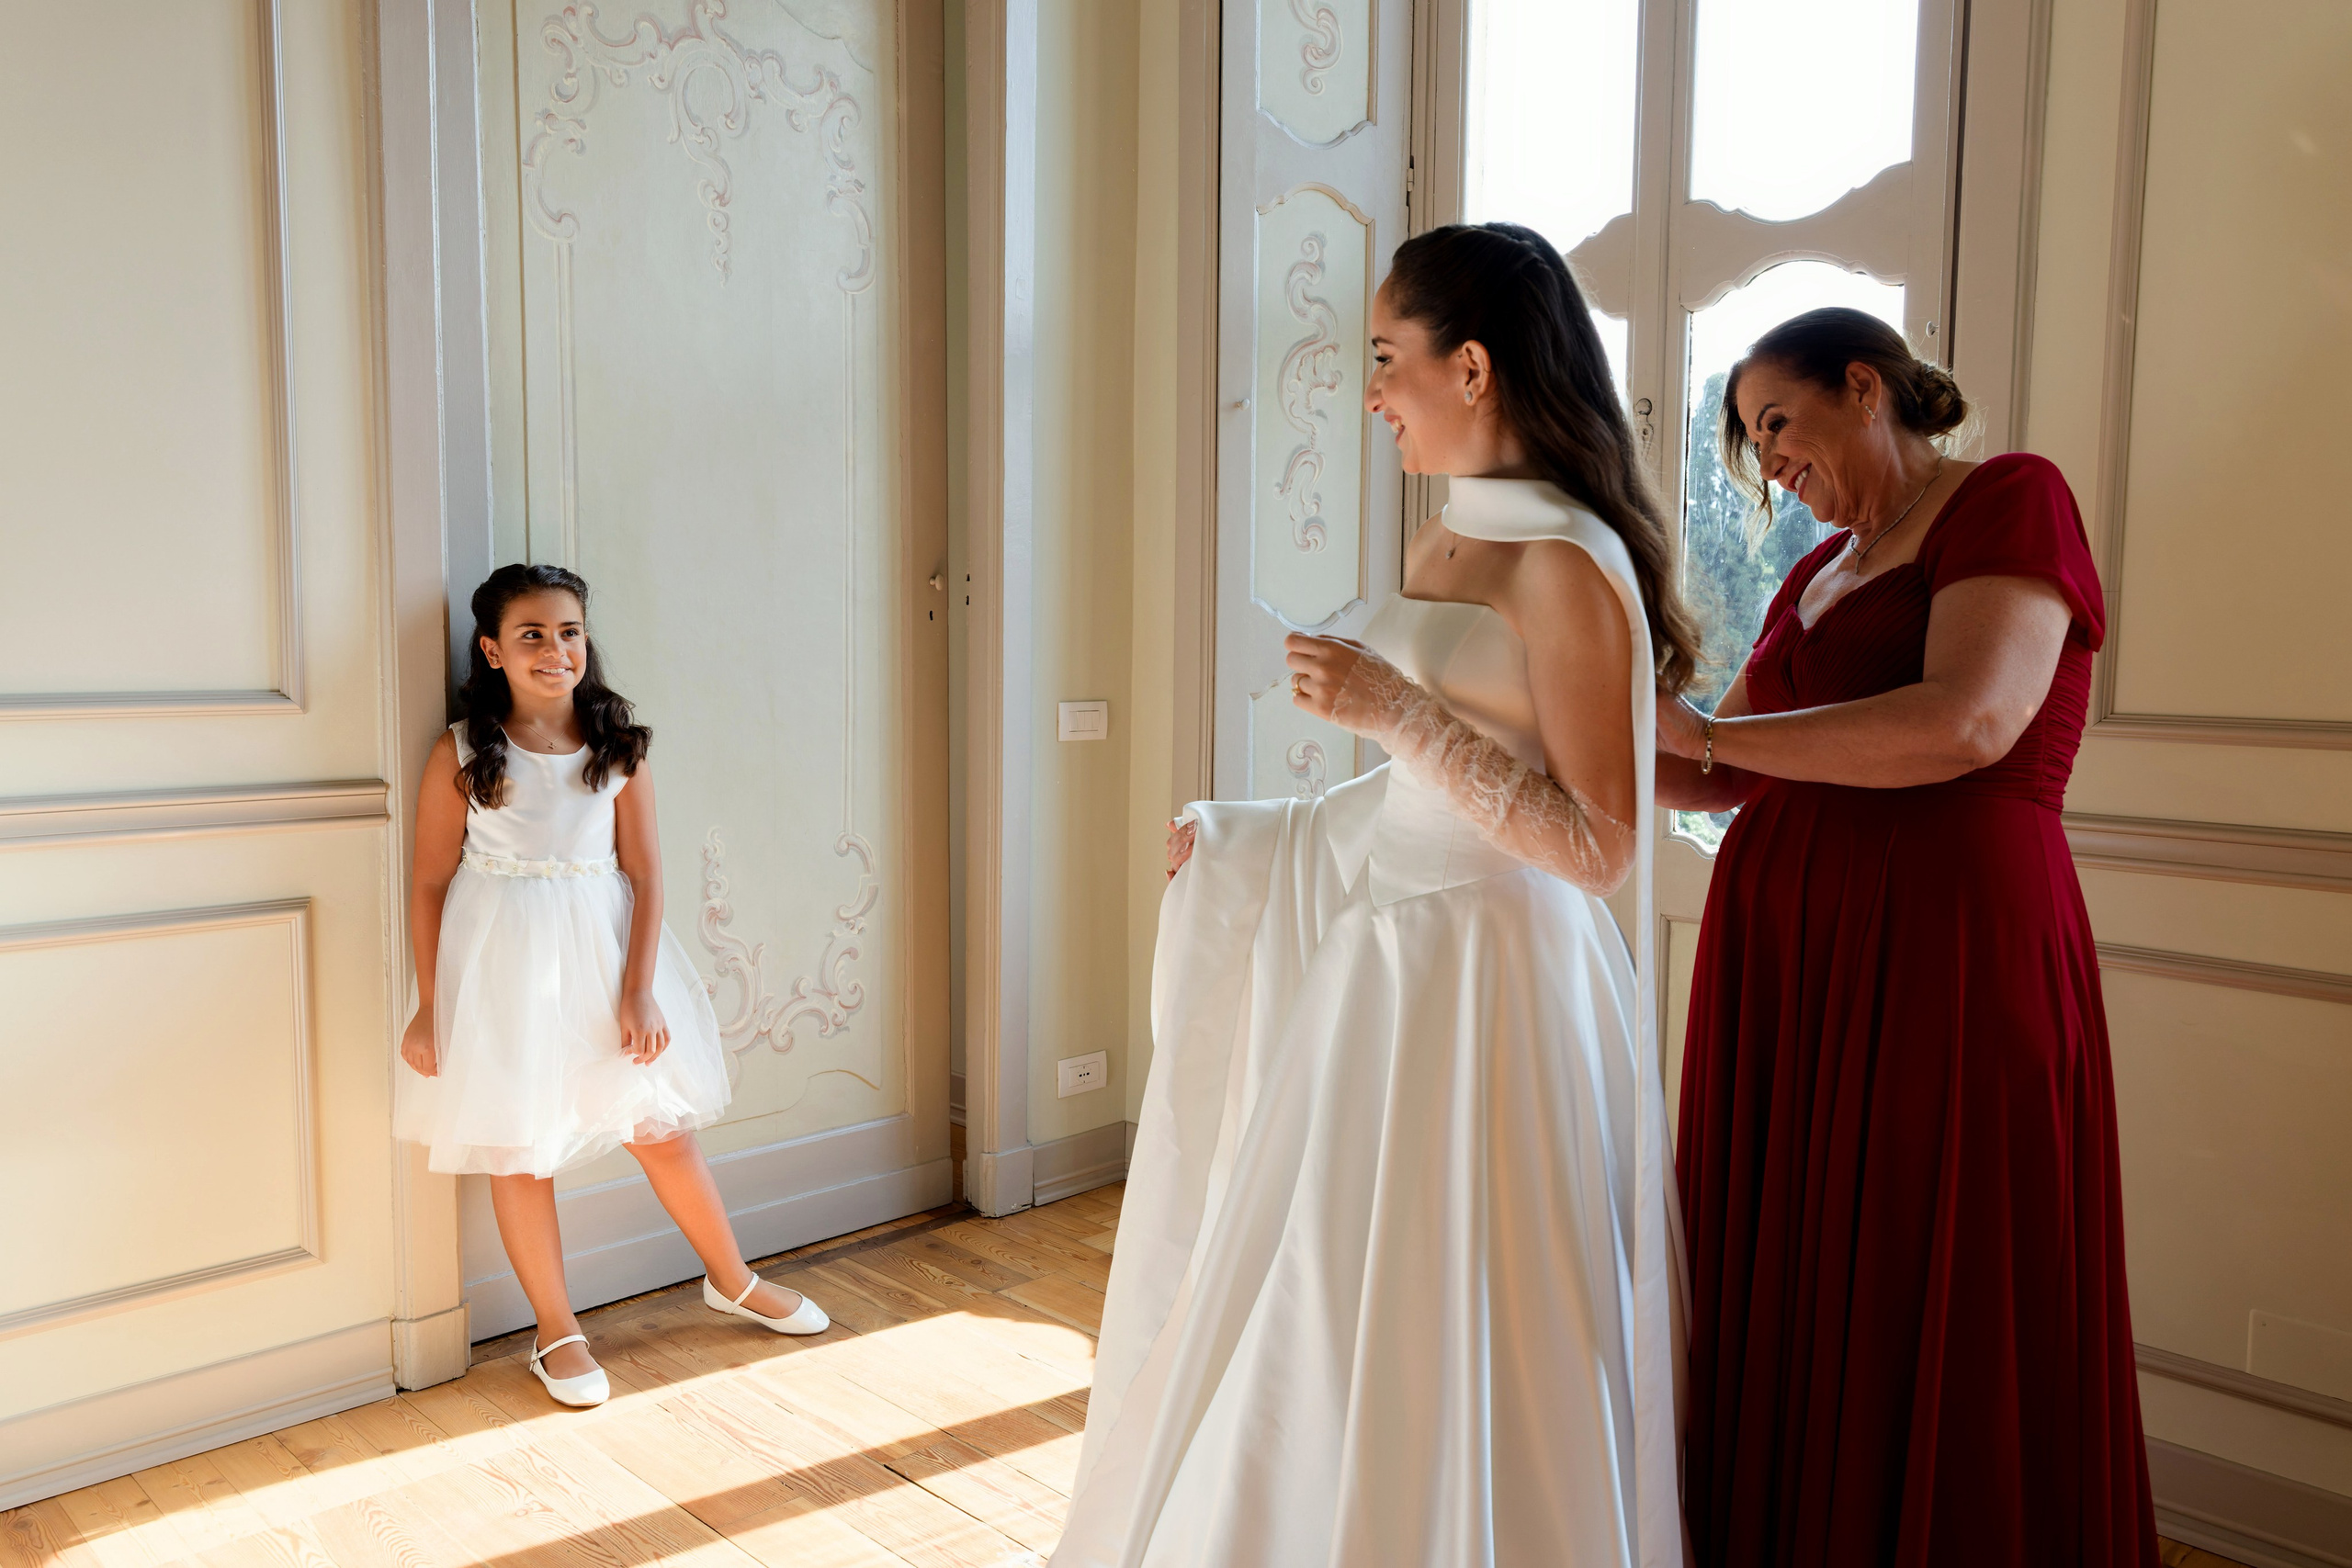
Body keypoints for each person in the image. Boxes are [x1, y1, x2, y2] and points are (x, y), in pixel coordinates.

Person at [1053, 223, 1696, 1568]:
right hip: (1381, 968)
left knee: (1462, 1303)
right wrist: (1251, 839)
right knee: (1333, 1296)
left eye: (1388, 360)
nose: (1371, 394)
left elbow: (1597, 848)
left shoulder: (1571, 563)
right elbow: (1421, 798)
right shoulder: (1451, 533)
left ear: (1471, 367)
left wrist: (1398, 709)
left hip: (1489, 984)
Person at [1657, 308, 2157, 1565]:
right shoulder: (1810, 575)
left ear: (1865, 383)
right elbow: (1721, 776)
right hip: (1793, 966)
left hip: (1950, 941)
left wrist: (1704, 736)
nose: (1772, 465)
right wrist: (1582, 727)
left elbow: (1969, 723)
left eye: (1778, 424)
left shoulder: (2008, 497)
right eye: (1754, 447)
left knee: (1938, 1261)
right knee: (1803, 1269)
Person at [394, 563, 829, 1409]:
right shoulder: (462, 751)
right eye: (532, 635)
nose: (556, 650)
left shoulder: (618, 747)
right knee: (520, 1147)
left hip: (602, 954)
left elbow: (646, 873)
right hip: (499, 966)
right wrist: (428, 1001)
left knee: (660, 1127)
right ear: (492, 650)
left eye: (569, 632)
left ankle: (731, 1278)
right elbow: (428, 885)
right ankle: (556, 1328)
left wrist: (638, 991)